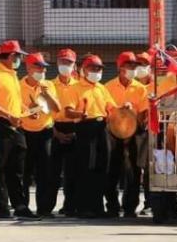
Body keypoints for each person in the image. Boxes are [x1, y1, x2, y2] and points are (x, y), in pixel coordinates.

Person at [0, 40, 34, 220]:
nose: (20, 60)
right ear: (11, 56)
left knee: (17, 166)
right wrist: (8, 115)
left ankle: (20, 205)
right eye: (18, 56)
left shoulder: (12, 75)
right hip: (0, 123)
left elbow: (15, 101)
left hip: (16, 125)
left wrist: (27, 112)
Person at [104, 52, 151, 218]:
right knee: (112, 169)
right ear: (119, 67)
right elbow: (106, 112)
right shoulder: (107, 87)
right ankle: (112, 206)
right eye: (129, 65)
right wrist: (119, 112)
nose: (132, 69)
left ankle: (130, 207)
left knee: (134, 171)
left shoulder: (140, 89)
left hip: (135, 134)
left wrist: (133, 114)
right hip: (113, 133)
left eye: (134, 66)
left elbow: (145, 115)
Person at [71, 55, 116, 219]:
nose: (96, 72)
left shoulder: (102, 88)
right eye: (92, 68)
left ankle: (98, 207)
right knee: (86, 167)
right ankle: (83, 207)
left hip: (102, 127)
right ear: (83, 70)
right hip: (85, 127)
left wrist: (123, 108)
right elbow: (69, 110)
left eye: (99, 69)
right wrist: (79, 113)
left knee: (102, 167)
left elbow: (111, 107)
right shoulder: (75, 88)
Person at [19, 53, 60, 218]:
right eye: (38, 67)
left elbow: (57, 108)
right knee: (24, 172)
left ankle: (45, 208)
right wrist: (29, 112)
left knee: (45, 172)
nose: (42, 70)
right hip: (25, 132)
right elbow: (17, 107)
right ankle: (23, 207)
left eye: (43, 67)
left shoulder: (49, 85)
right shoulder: (18, 85)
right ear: (28, 68)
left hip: (45, 132)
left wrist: (47, 95)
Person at [50, 49, 80, 217]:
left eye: (68, 63)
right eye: (62, 62)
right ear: (57, 63)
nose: (65, 66)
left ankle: (70, 206)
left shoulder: (79, 86)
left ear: (74, 65)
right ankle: (47, 206)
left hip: (74, 129)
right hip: (53, 128)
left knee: (72, 172)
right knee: (51, 171)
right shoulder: (49, 85)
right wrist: (56, 133)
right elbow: (45, 112)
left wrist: (76, 132)